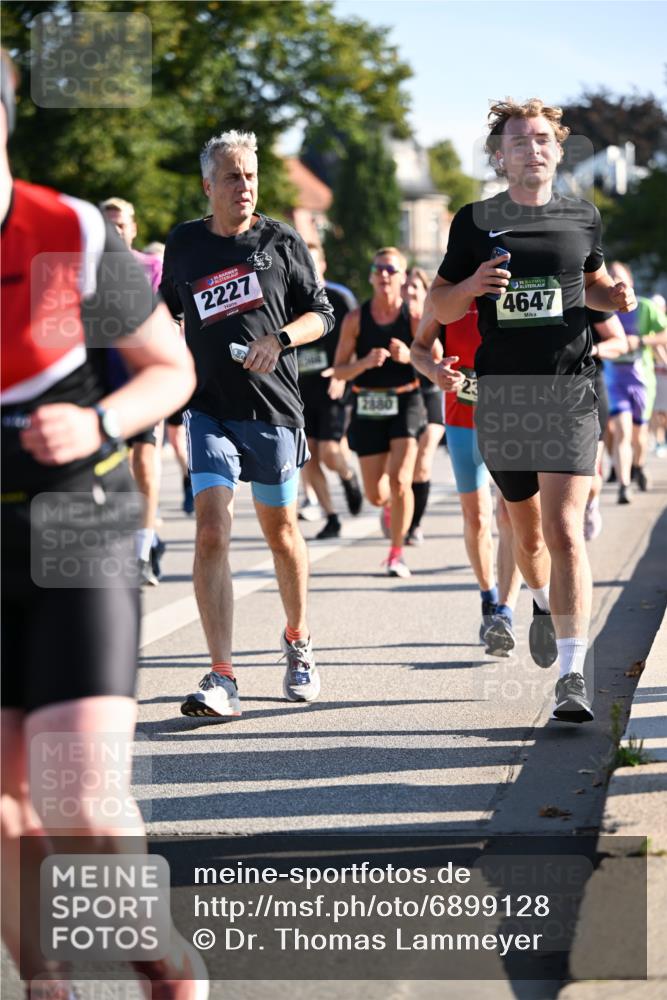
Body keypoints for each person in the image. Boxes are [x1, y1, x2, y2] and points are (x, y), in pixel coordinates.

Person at [0, 51, 201, 998]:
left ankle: (166, 968)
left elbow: (169, 368)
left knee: (74, 797)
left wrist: (99, 419)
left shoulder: (65, 229)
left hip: (74, 522)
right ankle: (47, 986)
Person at [428, 98, 636, 724]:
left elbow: (592, 284)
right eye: (519, 141)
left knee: (565, 528)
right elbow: (439, 305)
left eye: (543, 139)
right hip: (503, 395)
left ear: (557, 148)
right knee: (525, 531)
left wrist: (612, 297)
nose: (532, 149)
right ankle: (541, 604)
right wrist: (467, 290)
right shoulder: (474, 222)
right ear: (500, 156)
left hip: (570, 390)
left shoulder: (582, 216)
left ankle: (573, 675)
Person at [159, 129, 334, 718]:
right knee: (211, 529)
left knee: (281, 532)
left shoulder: (281, 240)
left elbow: (321, 314)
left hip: (273, 410)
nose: (244, 186)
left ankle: (299, 640)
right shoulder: (184, 243)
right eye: (232, 176)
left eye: (251, 175)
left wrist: (279, 339)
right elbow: (168, 311)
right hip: (208, 408)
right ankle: (222, 675)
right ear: (208, 184)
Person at [411, 299, 522, 654]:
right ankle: (489, 597)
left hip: (513, 419)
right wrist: (434, 371)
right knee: (476, 518)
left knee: (510, 516)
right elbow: (419, 350)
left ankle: (505, 611)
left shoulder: (516, 283)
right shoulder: (449, 293)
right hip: (462, 420)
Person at [333, 247, 426, 578]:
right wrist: (363, 363)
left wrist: (409, 357)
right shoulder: (356, 319)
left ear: (402, 278)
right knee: (376, 494)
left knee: (402, 479)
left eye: (391, 269)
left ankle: (396, 553)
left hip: (406, 402)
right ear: (372, 276)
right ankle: (388, 507)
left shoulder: (414, 316)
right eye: (379, 268)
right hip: (367, 404)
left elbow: (436, 360)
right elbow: (339, 371)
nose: (384, 274)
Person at [100, 197, 167, 584]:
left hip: (145, 380)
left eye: (121, 224)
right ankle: (144, 538)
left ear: (134, 228)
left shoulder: (152, 267)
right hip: (104, 383)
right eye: (108, 225)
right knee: (114, 470)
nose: (115, 231)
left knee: (144, 461)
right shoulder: (86, 271)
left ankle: (141, 552)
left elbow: (169, 317)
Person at [297, 242, 362, 540]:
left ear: (322, 265)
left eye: (313, 261)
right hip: (300, 389)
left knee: (330, 453)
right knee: (308, 456)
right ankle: (331, 516)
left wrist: (343, 373)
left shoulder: (339, 297)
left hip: (334, 386)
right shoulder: (288, 298)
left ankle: (348, 476)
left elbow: (356, 338)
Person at [603, 262, 667, 502]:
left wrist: (639, 341)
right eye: (610, 278)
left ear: (630, 280)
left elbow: (664, 334)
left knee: (639, 437)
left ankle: (638, 466)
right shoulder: (603, 309)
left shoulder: (646, 307)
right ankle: (624, 484)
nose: (615, 282)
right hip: (613, 378)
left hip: (642, 381)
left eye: (619, 277)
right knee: (621, 430)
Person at [401, 267, 445, 546]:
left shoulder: (428, 318)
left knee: (423, 461)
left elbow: (438, 357)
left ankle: (415, 525)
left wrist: (410, 356)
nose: (410, 292)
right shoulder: (392, 317)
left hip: (429, 395)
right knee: (402, 467)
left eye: (415, 287)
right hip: (402, 400)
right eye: (405, 287)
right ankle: (399, 506)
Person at [583, 308, 629, 537]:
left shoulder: (587, 297)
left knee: (589, 477)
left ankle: (591, 503)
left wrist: (593, 349)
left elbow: (621, 343)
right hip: (541, 392)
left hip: (589, 389)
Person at [650, 294, 667, 458]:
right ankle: (659, 441)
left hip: (664, 374)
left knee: (665, 412)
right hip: (654, 372)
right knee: (655, 411)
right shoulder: (650, 325)